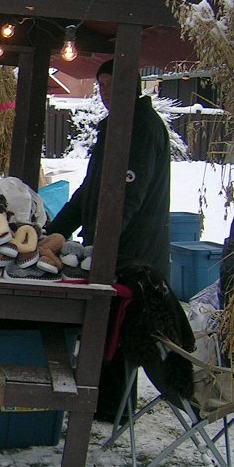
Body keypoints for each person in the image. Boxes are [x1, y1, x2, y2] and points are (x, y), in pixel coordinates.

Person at [48, 58, 171, 424]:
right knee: (105, 331)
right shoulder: (114, 126)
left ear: (132, 85)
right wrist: (57, 230)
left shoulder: (142, 128)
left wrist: (102, 243)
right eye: (100, 86)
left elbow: (127, 196)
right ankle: (104, 404)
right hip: (114, 246)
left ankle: (110, 411)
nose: (104, 94)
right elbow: (91, 189)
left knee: (118, 330)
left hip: (135, 251)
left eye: (112, 85)